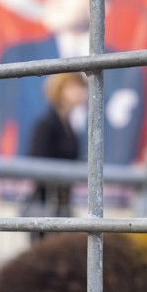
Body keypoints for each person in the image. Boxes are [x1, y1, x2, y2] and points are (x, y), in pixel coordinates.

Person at [0, 0, 147, 166]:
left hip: (99, 187)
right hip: (38, 181)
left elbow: (125, 135)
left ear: (102, 5)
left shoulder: (125, 68)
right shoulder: (19, 56)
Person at [23, 72, 87, 238]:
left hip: (62, 205)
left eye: (82, 88)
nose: (82, 92)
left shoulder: (70, 126)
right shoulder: (46, 124)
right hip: (45, 205)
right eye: (75, 87)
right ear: (60, 90)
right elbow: (36, 161)